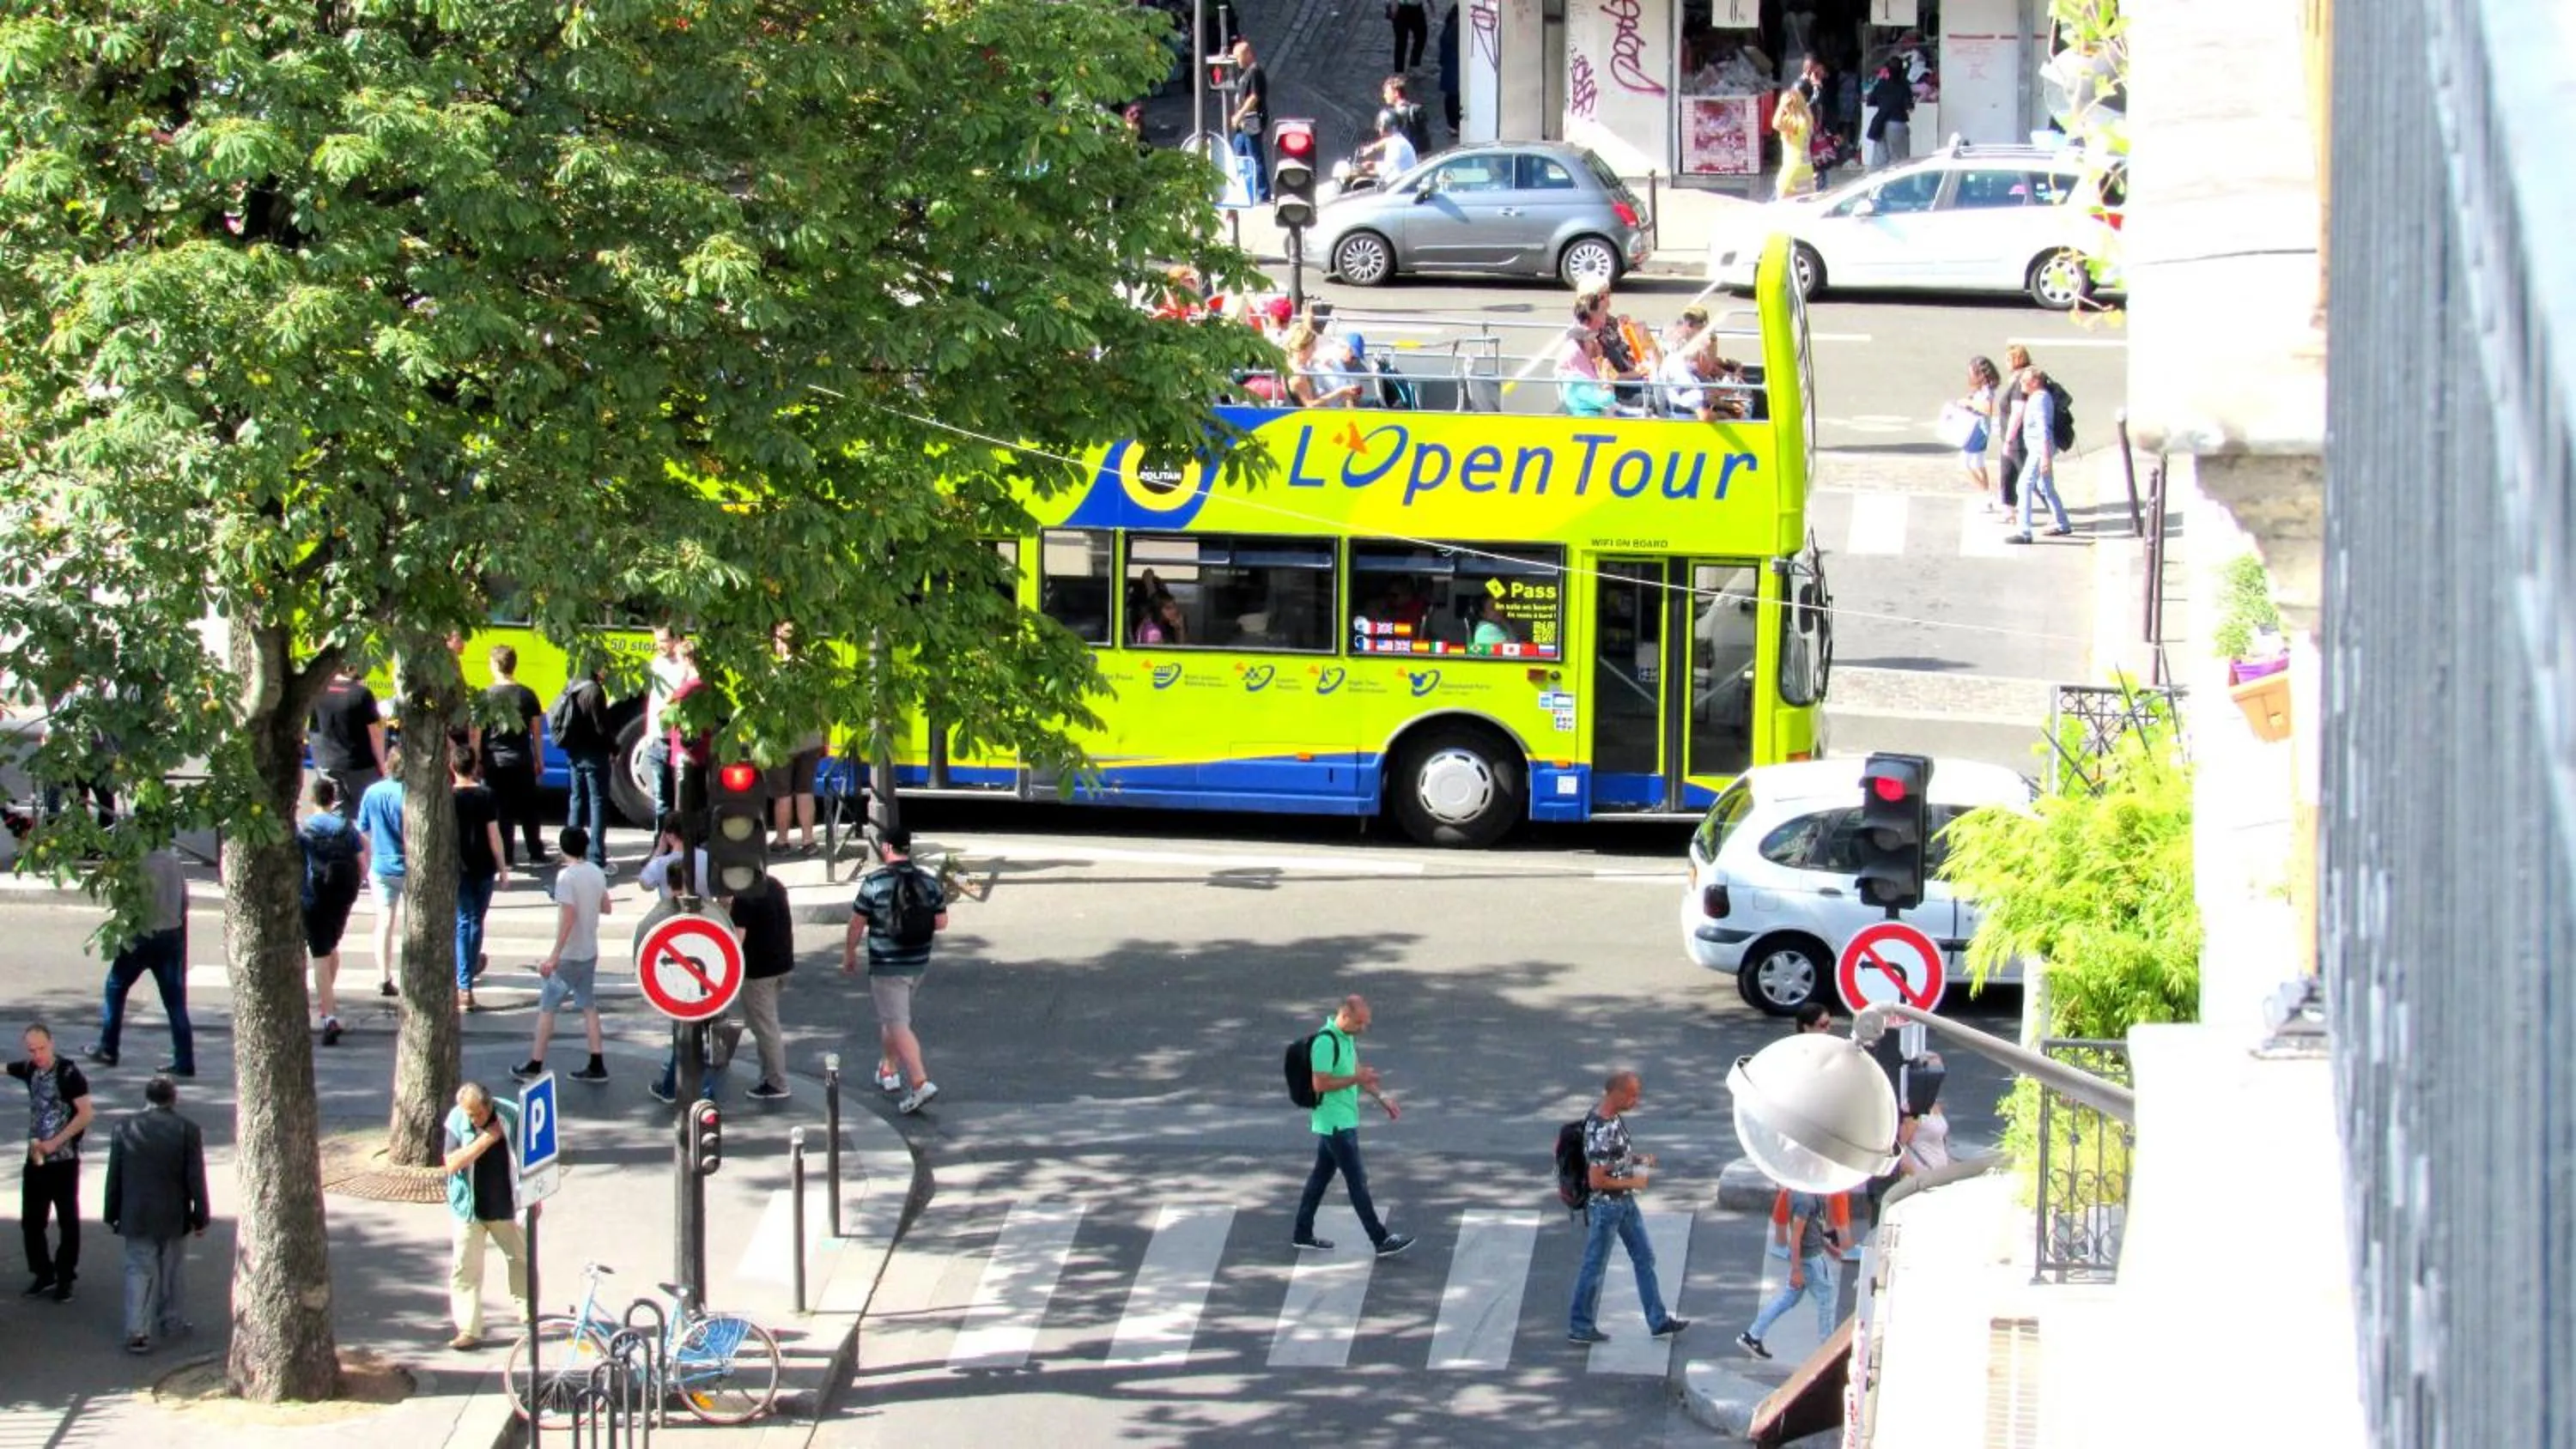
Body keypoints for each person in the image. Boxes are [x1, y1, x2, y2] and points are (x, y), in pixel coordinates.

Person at [1566, 1070, 1689, 1344]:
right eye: (1633, 1094)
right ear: (1617, 1094)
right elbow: (1596, 1180)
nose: (1637, 1099)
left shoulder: (1611, 1120)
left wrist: (1637, 1160)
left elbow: (1613, 1158)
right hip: (1608, 1208)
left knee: (1644, 1257)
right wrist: (1636, 1178)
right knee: (1594, 1266)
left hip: (1624, 1203)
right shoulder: (1601, 1128)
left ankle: (1658, 1321)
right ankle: (1580, 1325)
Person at [1290, 994, 1415, 1258]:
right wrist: (1355, 1077)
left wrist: (1383, 1098)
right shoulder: (1326, 1042)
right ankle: (1380, 1239)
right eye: (1360, 1023)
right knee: (1357, 1182)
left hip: (1340, 1121)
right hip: (1336, 1124)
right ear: (1344, 1016)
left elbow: (1358, 1075)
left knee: (1319, 1179)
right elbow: (1320, 1084)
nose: (1363, 1028)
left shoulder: (1346, 1039)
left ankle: (1302, 1233)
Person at [841, 826, 947, 1115]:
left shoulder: (875, 882)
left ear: (886, 847)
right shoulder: (928, 880)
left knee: (898, 1022)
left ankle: (919, 1081)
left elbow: (856, 923)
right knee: (894, 1015)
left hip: (888, 965)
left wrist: (850, 953)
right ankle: (887, 1070)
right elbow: (941, 923)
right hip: (918, 962)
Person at [102, 1074, 208, 1355]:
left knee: (138, 1269)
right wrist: (201, 1217)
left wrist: (111, 1212)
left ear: (146, 1098)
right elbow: (196, 1178)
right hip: (174, 1214)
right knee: (172, 1270)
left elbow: (115, 1175)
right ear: (173, 1098)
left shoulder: (125, 1127)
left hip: (136, 1213)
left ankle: (137, 1330)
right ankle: (171, 1320)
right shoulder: (187, 1129)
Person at [512, 828, 612, 1085]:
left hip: (569, 954)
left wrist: (553, 956)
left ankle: (535, 1063)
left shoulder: (566, 877)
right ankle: (597, 1062)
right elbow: (606, 907)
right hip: (590, 950)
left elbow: (568, 917)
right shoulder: (596, 872)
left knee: (547, 1008)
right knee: (589, 1007)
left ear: (564, 848)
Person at [85, 846, 195, 1075]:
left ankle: (108, 1047)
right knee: (175, 1001)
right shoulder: (173, 858)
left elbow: (122, 902)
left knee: (116, 988)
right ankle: (184, 1060)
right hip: (170, 935)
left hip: (140, 935)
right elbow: (184, 902)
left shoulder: (135, 860)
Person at [440, 1082, 525, 1351]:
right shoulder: (457, 1118)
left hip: (504, 1205)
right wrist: (487, 1138)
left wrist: (535, 1195)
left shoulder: (510, 1114)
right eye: (469, 1114)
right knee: (465, 1269)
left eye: (476, 1113)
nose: (472, 1118)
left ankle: (529, 1314)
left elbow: (531, 1156)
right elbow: (452, 1163)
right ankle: (468, 1329)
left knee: (521, 1259)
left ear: (488, 1106)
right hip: (469, 1207)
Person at [13, 1024, 92, 1302]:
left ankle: (65, 1276)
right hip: (36, 1158)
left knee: (67, 1220)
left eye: (42, 1048)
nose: (38, 1055)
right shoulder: (30, 1069)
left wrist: (55, 1142)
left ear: (52, 1043)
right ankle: (43, 1272)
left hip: (64, 1160)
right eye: (32, 1050)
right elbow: (8, 1068)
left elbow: (85, 1114)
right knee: (32, 1222)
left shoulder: (68, 1073)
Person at [298, 783, 367, 1047]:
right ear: (334, 799)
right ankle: (328, 1001)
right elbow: (361, 863)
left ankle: (328, 1016)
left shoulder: (304, 829)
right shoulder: (346, 827)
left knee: (320, 956)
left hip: (313, 896)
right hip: (340, 897)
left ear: (312, 798)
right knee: (331, 948)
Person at [1738, 1184, 1840, 1359]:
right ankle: (1827, 1350)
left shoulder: (1805, 1193)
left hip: (1810, 1257)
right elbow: (1796, 1238)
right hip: (1810, 1261)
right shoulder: (1803, 1200)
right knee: (1827, 1300)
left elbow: (1813, 1229)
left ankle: (1752, 1335)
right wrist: (1796, 1270)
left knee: (1787, 1298)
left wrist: (1828, 1247)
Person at [452, 742, 510, 1013]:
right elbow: (493, 835)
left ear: (452, 767)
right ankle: (466, 978)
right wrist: (502, 867)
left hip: (458, 867)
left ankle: (464, 982)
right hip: (483, 866)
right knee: (475, 920)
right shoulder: (486, 795)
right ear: (474, 766)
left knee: (465, 920)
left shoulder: (448, 797)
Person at [478, 646, 547, 870]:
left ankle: (506, 858)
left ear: (495, 665)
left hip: (494, 761)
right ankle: (536, 854)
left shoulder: (486, 696)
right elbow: (536, 732)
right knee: (529, 809)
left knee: (501, 810)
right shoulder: (528, 695)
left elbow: (476, 731)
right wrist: (539, 759)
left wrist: (477, 758)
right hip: (522, 759)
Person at [732, 880, 798, 1101]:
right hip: (782, 965)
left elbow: (736, 941)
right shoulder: (775, 885)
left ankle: (777, 1082)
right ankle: (768, 1076)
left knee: (765, 1027)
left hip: (758, 972)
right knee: (764, 1024)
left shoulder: (744, 896)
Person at [767, 624, 828, 857]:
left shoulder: (773, 671)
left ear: (780, 641)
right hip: (811, 739)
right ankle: (808, 840)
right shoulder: (812, 669)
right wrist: (824, 738)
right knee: (805, 790)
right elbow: (823, 709)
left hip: (783, 743)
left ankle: (782, 841)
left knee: (783, 795)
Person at [551, 665, 617, 872]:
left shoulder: (573, 685)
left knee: (576, 801)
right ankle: (597, 857)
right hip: (594, 756)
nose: (608, 672)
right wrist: (615, 748)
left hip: (574, 753)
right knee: (597, 803)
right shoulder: (595, 691)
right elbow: (600, 727)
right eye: (606, 667)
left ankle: (571, 854)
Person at [355, 751, 408, 999]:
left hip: (381, 865)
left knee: (384, 922)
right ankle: (412, 972)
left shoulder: (372, 792)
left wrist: (366, 862)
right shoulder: (410, 793)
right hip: (409, 865)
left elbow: (363, 829)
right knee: (414, 922)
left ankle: (384, 976)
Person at [306, 664, 386, 822]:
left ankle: (341, 842)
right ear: (353, 669)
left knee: (336, 813)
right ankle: (364, 845)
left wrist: (319, 759)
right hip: (360, 765)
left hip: (327, 762)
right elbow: (375, 734)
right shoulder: (362, 694)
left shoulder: (319, 691)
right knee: (366, 814)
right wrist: (382, 764)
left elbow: (312, 729)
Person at [2006, 367, 2074, 544]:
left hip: (2039, 450)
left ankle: (2024, 531)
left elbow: (2044, 428)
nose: (2021, 385)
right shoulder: (2038, 397)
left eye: (2024, 381)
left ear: (2035, 382)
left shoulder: (2040, 399)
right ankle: (2062, 522)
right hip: (2040, 449)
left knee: (2023, 485)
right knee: (2045, 486)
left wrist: (2045, 456)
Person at [643, 624, 696, 822]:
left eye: (664, 640)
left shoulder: (684, 667)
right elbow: (653, 701)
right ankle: (661, 845)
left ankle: (679, 844)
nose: (659, 645)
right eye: (656, 640)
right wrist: (649, 735)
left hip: (675, 740)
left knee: (680, 799)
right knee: (661, 800)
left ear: (676, 640)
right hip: (656, 739)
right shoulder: (656, 663)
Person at [1227, 40, 1272, 203]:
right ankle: (1244, 190)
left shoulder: (1254, 72)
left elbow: (1253, 97)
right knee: (1239, 154)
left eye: (1238, 56)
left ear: (1247, 54)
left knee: (1254, 157)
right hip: (1244, 124)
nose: (1237, 60)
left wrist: (1239, 115)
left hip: (1251, 121)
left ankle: (1263, 193)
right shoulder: (1247, 72)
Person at [1282, 322, 1364, 409]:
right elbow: (1310, 405)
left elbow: (1309, 358)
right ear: (1303, 348)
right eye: (1312, 347)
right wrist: (1340, 392)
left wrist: (1319, 359)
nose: (1314, 350)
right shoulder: (1299, 376)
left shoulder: (1289, 362)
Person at [1958, 355, 2002, 507]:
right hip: (1981, 428)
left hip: (1976, 428)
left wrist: (1969, 403)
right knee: (1978, 463)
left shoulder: (1986, 391)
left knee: (1964, 466)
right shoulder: (1985, 389)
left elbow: (1988, 409)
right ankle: (1987, 496)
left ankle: (1986, 495)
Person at [1863, 60, 1913, 170]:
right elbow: (1910, 107)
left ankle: (1875, 184)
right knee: (1900, 161)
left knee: (1879, 161)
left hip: (1880, 123)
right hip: (1897, 123)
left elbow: (1870, 101)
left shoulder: (1881, 84)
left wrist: (1883, 102)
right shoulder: (1904, 85)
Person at [1355, 106, 1419, 184]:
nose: (1379, 129)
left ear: (1385, 126)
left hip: (1401, 189)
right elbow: (1386, 142)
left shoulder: (1396, 145)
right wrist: (1372, 148)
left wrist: (1362, 170)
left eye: (1380, 125)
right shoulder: (1397, 140)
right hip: (1400, 184)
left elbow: (1386, 172)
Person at [1377, 75, 1432, 158]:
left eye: (1386, 92)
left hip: (1409, 157)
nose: (1384, 96)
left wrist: (1373, 148)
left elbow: (1394, 138)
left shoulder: (1397, 115)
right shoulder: (1414, 109)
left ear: (1396, 93)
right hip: (1424, 156)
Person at [1389, 0, 1428, 73]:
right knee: (1401, 41)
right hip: (1401, 7)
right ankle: (1399, 70)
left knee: (1421, 36)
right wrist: (1393, 4)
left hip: (1416, 7)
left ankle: (1414, 64)